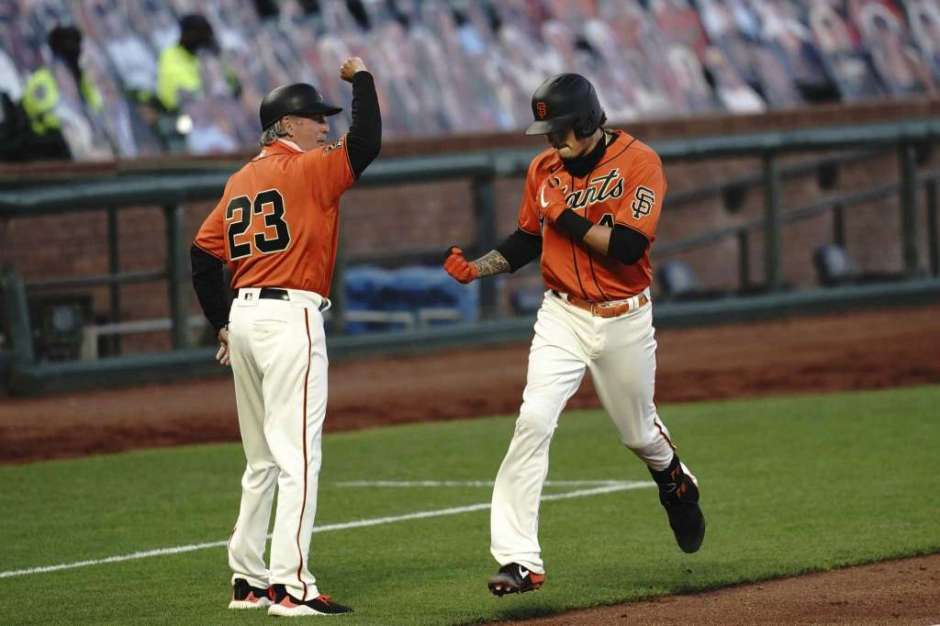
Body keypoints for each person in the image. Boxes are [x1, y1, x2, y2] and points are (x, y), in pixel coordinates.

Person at [443, 73, 705, 596]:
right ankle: (519, 560)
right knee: (533, 421)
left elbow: (628, 248)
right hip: (562, 315)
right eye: (546, 130)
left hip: (624, 316)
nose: (551, 139)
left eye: (559, 128)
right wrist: (478, 268)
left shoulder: (639, 162)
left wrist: (565, 218)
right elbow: (526, 240)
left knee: (639, 435)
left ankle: (673, 478)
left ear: (586, 122)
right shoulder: (543, 169)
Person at [190, 56, 381, 616]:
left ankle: (247, 579)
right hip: (290, 316)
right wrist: (362, 79)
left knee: (262, 460)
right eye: (316, 118)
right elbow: (366, 142)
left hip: (246, 320)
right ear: (288, 124)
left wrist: (221, 323)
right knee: (298, 458)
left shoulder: (241, 179)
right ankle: (290, 587)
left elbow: (202, 255)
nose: (325, 126)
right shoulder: (309, 168)